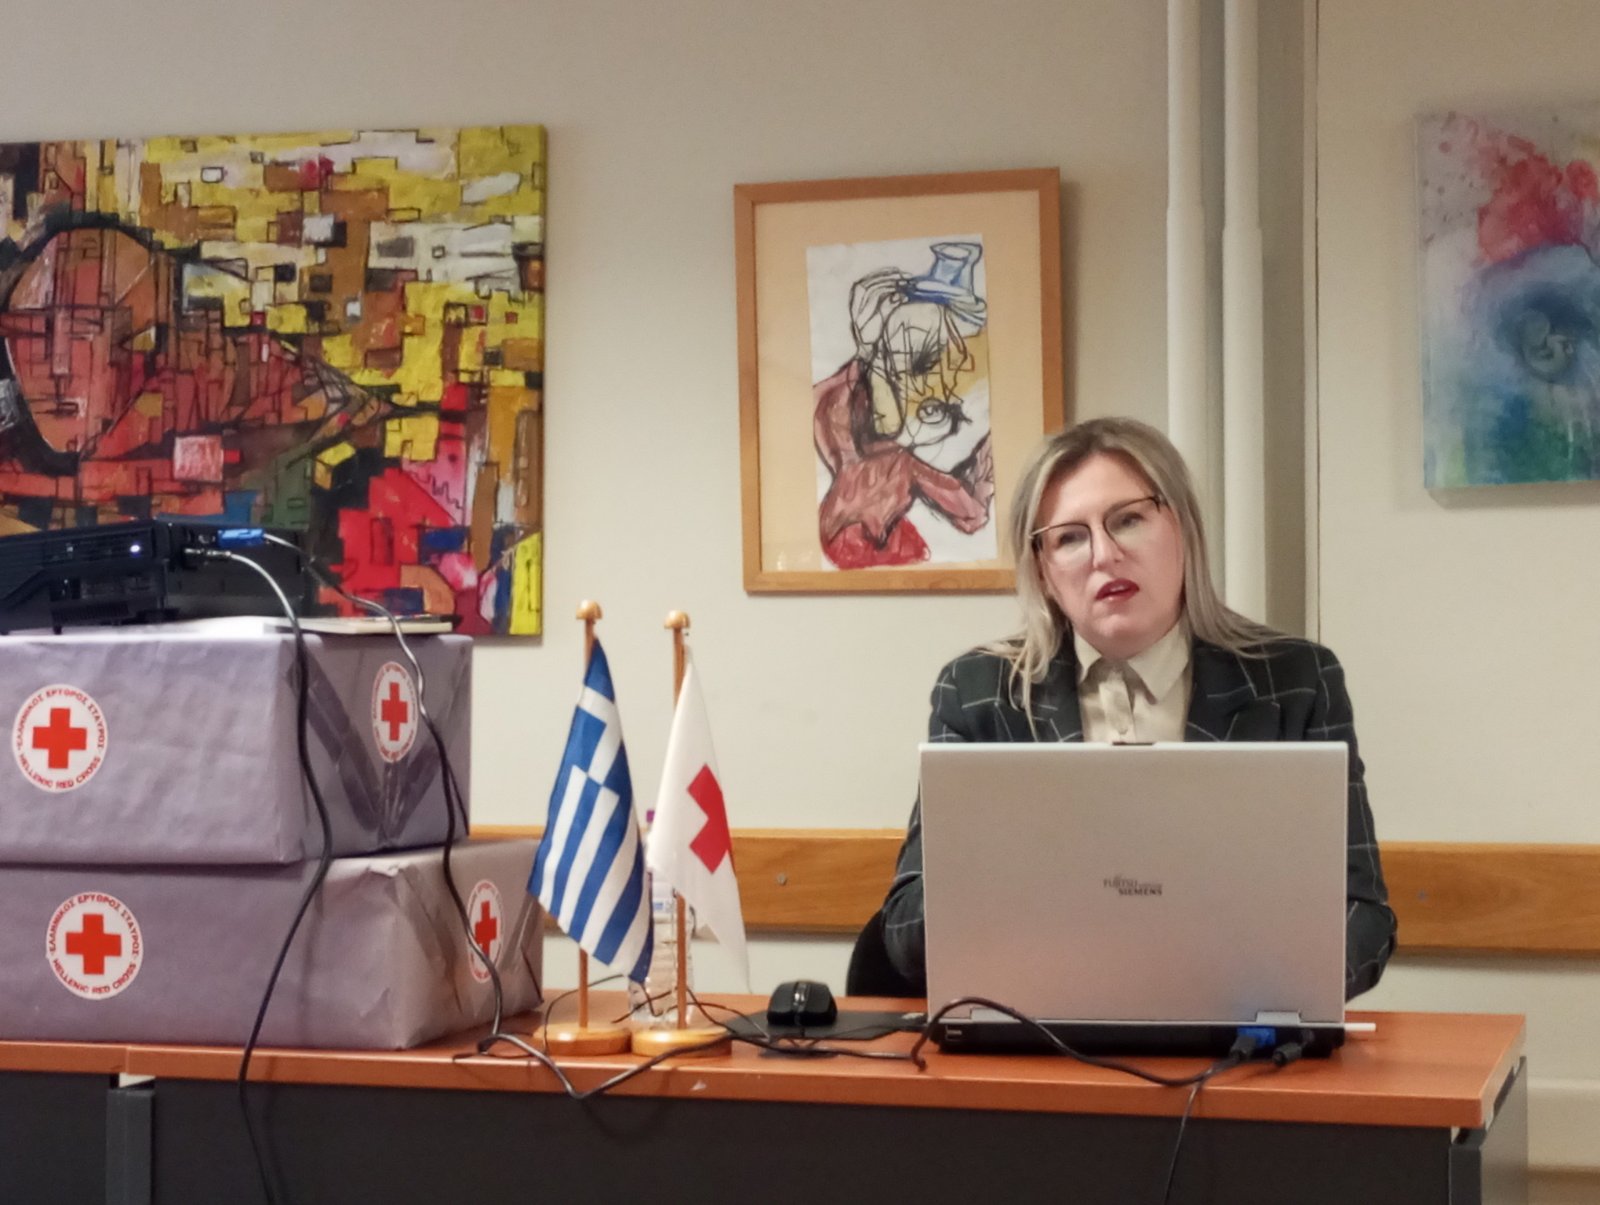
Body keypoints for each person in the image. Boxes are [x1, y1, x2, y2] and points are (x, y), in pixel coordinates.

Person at [876, 416, 1398, 1000]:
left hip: (1238, 1028)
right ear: (1043, 570)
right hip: (1040, 1029)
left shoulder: (1296, 682)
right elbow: (904, 933)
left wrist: (1249, 988)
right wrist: (1020, 875)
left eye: (1128, 520)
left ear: (1182, 529)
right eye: (1069, 538)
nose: (1104, 555)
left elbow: (1363, 919)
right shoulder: (978, 693)